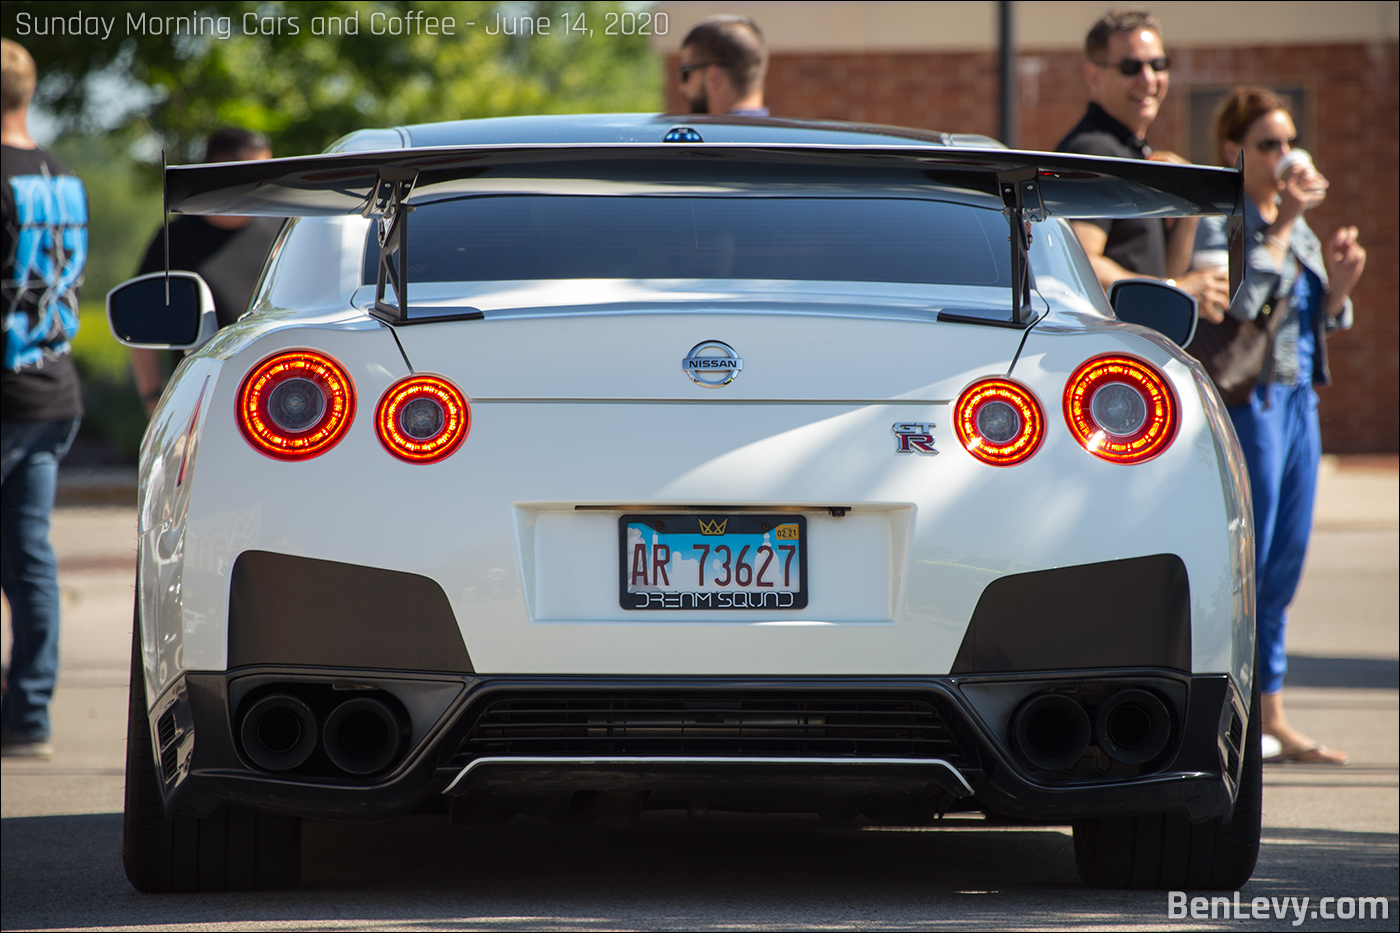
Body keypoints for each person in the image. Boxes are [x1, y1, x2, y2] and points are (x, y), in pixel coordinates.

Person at [1192, 87, 1365, 765]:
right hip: (1251, 403)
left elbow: (1319, 317)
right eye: (1268, 143)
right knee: (1252, 564)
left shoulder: (1298, 222)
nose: (1283, 154)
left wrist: (1343, 282)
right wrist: (1286, 221)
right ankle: (1237, 718)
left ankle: (1276, 717)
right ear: (1236, 150)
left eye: (1289, 140)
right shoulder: (1223, 216)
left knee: (1286, 563)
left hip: (1300, 401)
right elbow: (1239, 299)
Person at [1, 38, 87, 759]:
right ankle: (28, 713)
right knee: (28, 557)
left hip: (4, 387)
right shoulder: (64, 177)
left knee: (25, 555)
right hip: (52, 386)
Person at [1056, 7, 1228, 322]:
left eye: (1158, 64)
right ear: (1094, 76)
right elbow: (1080, 261)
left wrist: (1190, 206)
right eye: (1130, 67)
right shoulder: (1094, 149)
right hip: (1107, 355)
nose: (1148, 78)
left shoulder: (1129, 151)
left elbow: (1162, 270)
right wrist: (1177, 289)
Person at [131, 127, 280, 415]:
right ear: (217, 173)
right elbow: (141, 323)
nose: (264, 184)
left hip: (277, 402)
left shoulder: (283, 230)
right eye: (255, 174)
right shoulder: (174, 240)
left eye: (268, 172)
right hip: (201, 404)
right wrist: (153, 399)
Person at [677, 15, 769, 116]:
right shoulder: (782, 129)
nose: (682, 87)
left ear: (713, 76)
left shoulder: (706, 131)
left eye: (685, 72)